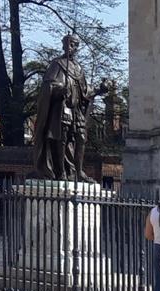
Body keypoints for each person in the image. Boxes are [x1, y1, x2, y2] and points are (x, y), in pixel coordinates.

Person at [33, 34, 108, 182]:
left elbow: (85, 91)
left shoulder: (78, 69)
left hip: (76, 109)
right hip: (63, 108)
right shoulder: (57, 64)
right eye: (67, 44)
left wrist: (100, 90)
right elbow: (48, 86)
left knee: (81, 138)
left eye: (73, 44)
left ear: (76, 47)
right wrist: (59, 89)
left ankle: (78, 171)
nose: (69, 47)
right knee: (61, 139)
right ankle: (61, 172)